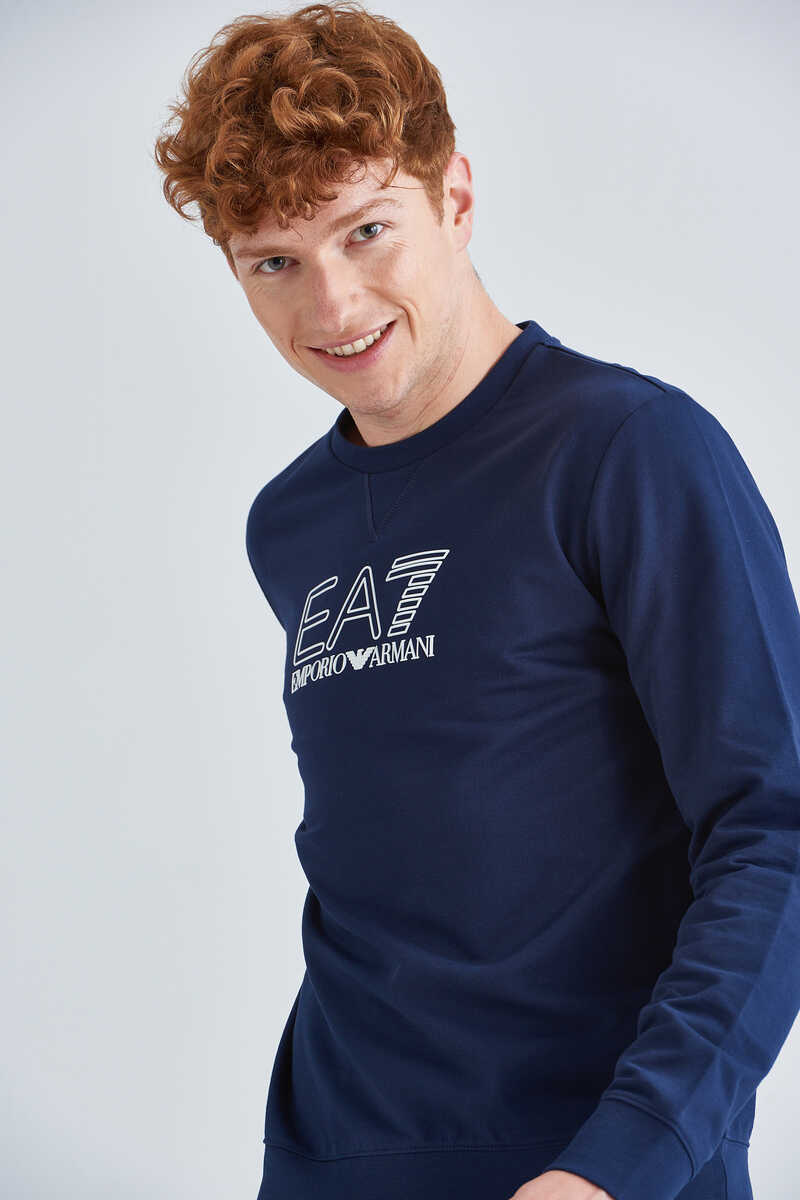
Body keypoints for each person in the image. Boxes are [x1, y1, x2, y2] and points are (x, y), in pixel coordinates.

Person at [152, 5, 800, 1199]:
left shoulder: (628, 451)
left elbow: (775, 830)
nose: (331, 307)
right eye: (274, 262)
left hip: (590, 1162)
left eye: (366, 230)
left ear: (453, 195)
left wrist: (620, 1162)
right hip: (334, 1157)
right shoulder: (287, 523)